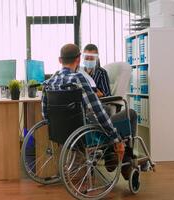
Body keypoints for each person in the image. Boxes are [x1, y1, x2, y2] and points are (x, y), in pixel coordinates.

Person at [41, 43, 137, 179]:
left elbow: (45, 114)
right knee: (131, 114)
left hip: (61, 133)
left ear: (60, 60)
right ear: (79, 59)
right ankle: (124, 160)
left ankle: (113, 157)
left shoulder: (49, 82)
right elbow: (98, 110)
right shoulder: (78, 79)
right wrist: (116, 138)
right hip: (85, 132)